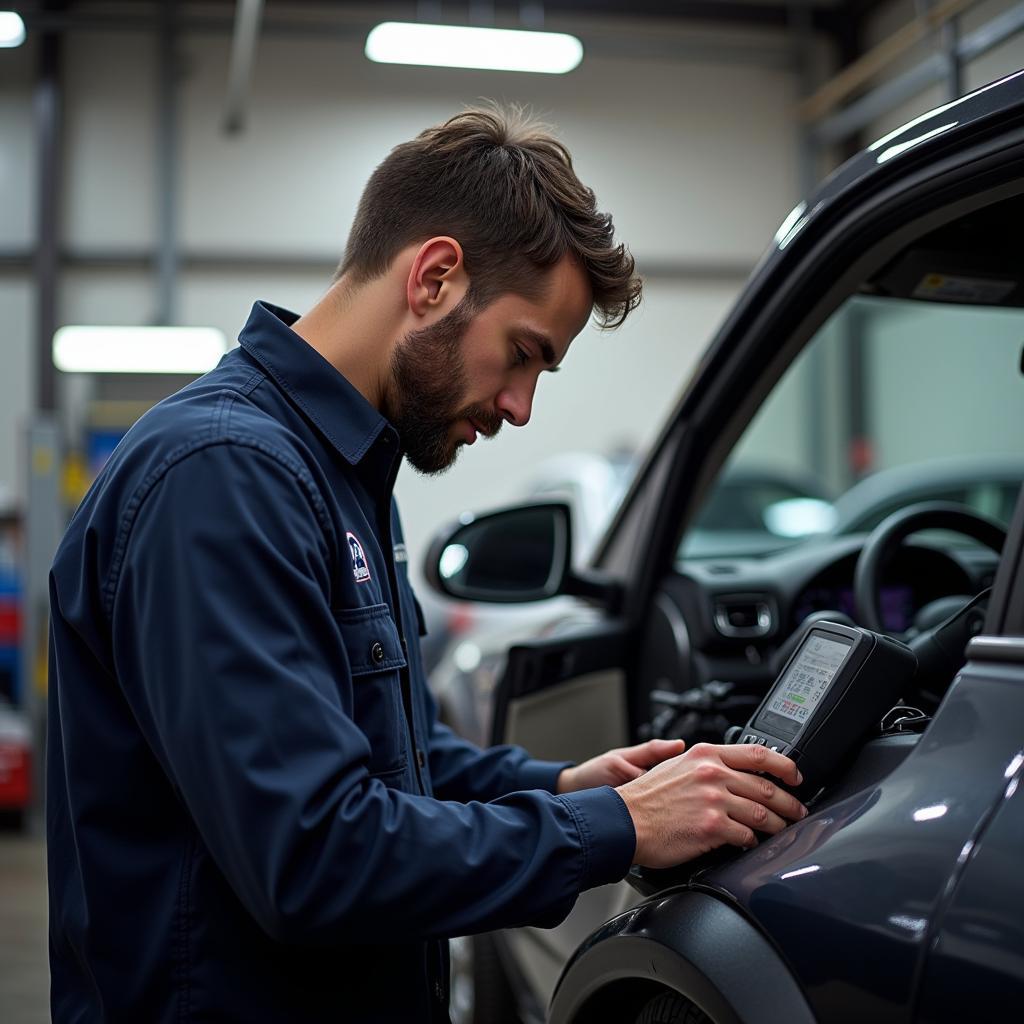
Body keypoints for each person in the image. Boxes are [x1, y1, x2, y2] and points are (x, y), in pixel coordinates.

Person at [47, 106, 806, 1023]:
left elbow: (384, 758)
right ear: (437, 277)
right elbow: (313, 856)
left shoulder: (343, 475)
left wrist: (562, 787)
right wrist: (621, 827)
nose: (522, 406)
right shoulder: (224, 475)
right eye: (523, 355)